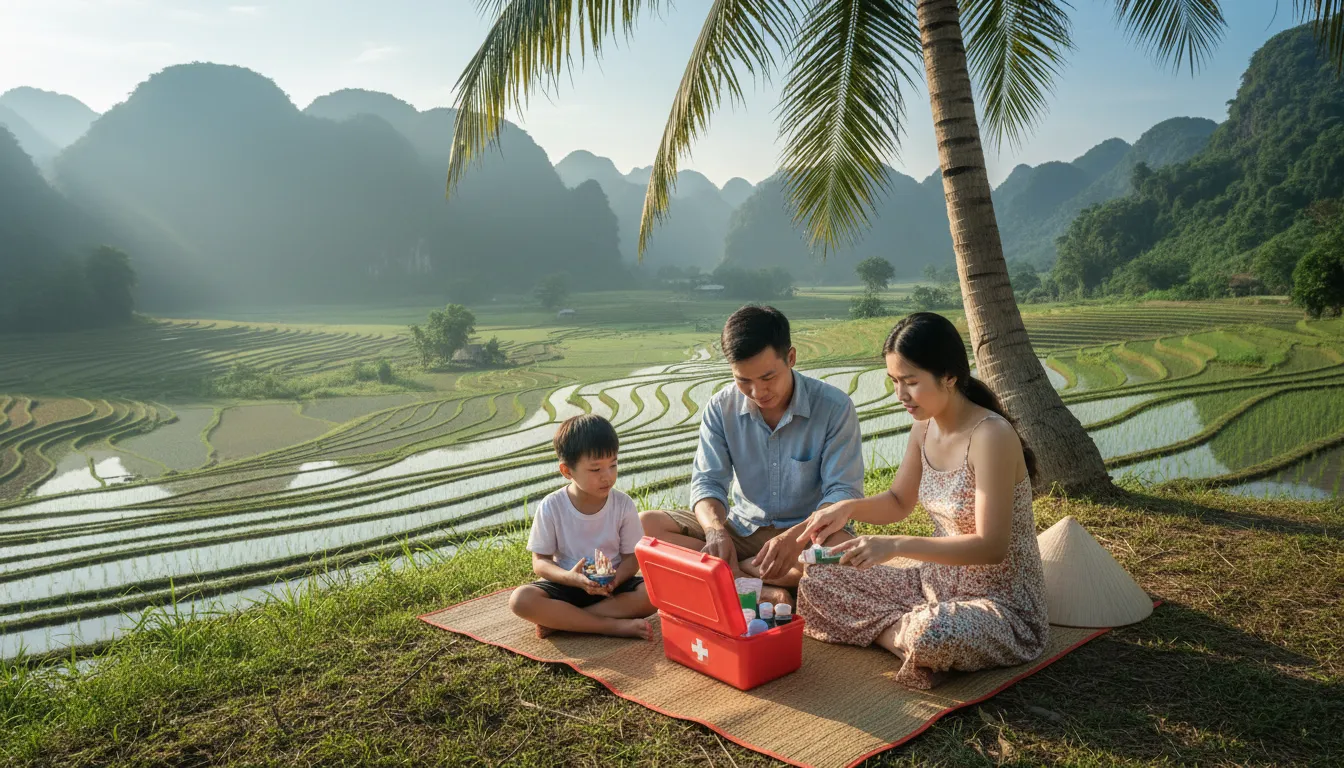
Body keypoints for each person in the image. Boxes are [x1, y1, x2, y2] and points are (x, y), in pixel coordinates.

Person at [793, 312, 1049, 689]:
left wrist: (895, 545)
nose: (901, 395)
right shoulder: (923, 427)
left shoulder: (991, 436)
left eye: (911, 382)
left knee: (934, 631)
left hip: (999, 604)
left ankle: (914, 639)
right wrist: (846, 508)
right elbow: (899, 500)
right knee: (819, 581)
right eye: (894, 381)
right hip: (931, 585)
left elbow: (991, 546)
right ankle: (905, 639)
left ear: (949, 376)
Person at [641, 305, 864, 607]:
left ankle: (729, 575)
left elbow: (843, 493)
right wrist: (715, 530)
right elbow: (707, 483)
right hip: (742, 530)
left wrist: (794, 537)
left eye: (768, 377)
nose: (758, 391)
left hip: (808, 533)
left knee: (843, 554)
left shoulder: (834, 407)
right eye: (743, 380)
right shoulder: (721, 408)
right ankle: (747, 578)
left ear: (792, 358)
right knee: (646, 525)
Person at [509, 414, 654, 639]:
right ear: (567, 471)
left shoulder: (623, 504)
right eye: (595, 470)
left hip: (612, 586)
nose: (607, 476)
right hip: (568, 585)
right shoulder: (552, 506)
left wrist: (614, 580)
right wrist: (570, 578)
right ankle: (610, 626)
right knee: (521, 600)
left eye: (613, 465)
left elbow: (631, 558)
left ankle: (565, 621)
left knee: (653, 593)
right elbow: (540, 562)